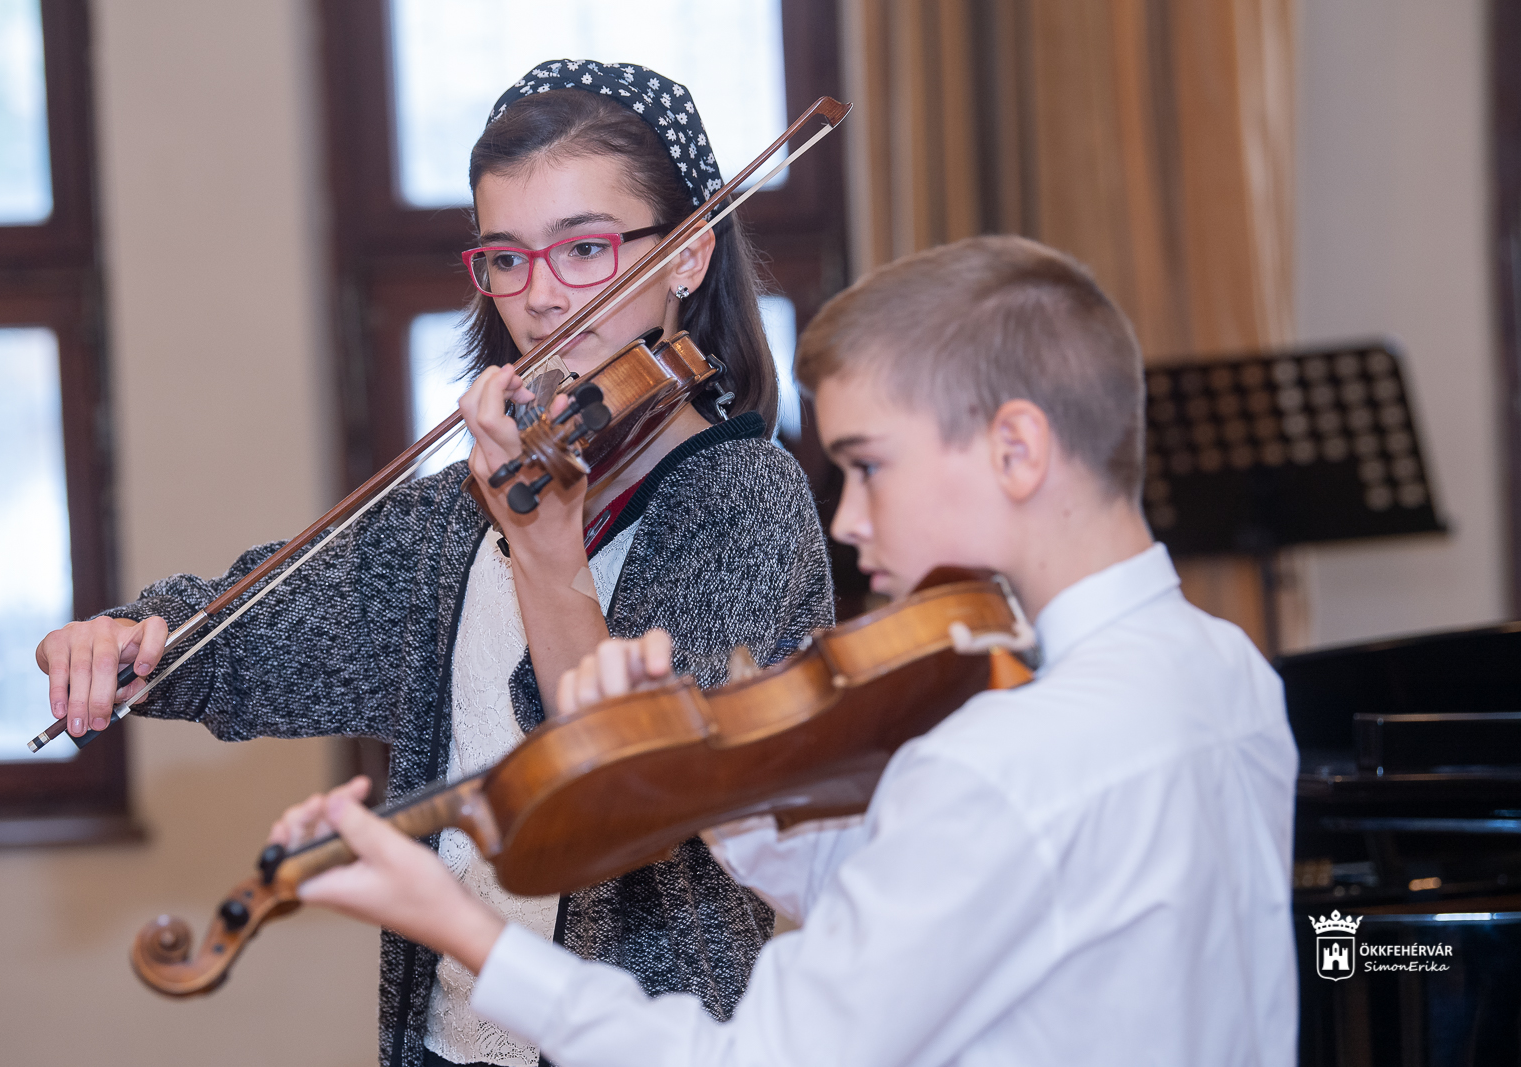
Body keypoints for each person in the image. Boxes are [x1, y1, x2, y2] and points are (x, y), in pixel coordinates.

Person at [278, 234, 1301, 1066]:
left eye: (867, 465)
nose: (847, 518)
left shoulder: (1000, 763)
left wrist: (468, 933)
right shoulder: (1225, 671)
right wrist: (704, 781)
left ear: (1017, 448)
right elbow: (935, 899)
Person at [34, 60, 833, 1067]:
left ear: (684, 256)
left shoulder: (745, 502)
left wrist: (545, 549)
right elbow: (276, 628)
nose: (539, 301)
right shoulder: (454, 517)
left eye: (585, 249)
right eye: (506, 258)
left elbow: (639, 798)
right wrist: (139, 637)